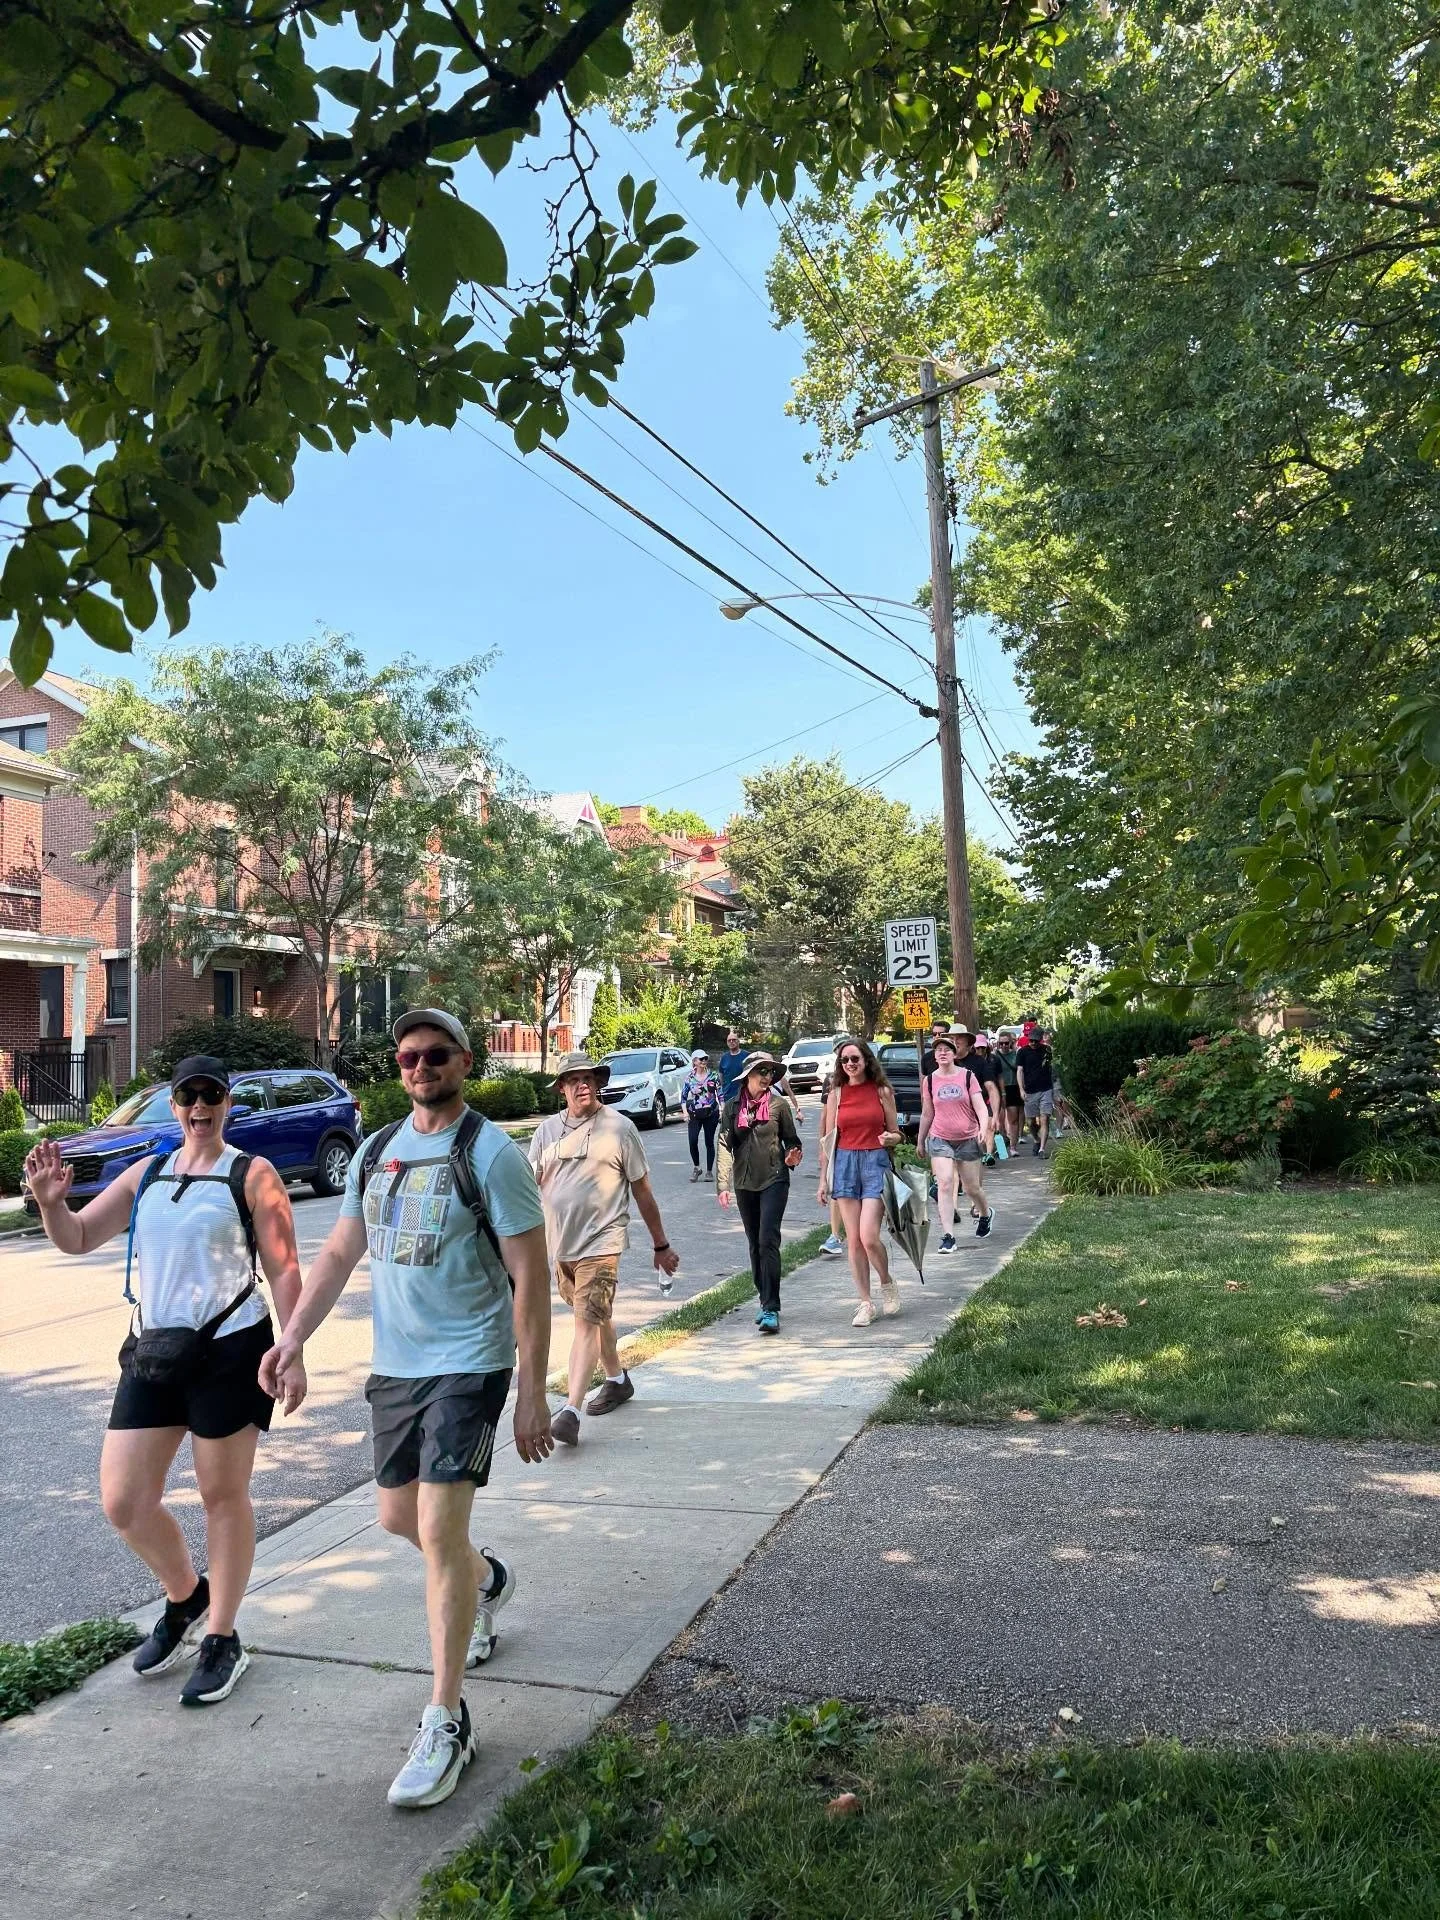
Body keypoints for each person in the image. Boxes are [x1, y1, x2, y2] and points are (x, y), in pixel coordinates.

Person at [259, 1011, 554, 1809]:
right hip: (397, 1367)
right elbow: (336, 1255)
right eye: (409, 1056)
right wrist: (292, 1341)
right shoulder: (376, 1151)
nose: (421, 1065)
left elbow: (533, 1278)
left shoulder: (493, 1154)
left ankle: (446, 1716)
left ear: (464, 1061)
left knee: (434, 1529)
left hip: (470, 1362)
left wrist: (532, 1389)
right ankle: (486, 1580)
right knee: (398, 1520)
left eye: (436, 1054)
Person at [24, 1054, 304, 1709]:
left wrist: (291, 1348)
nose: (199, 1107)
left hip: (233, 1350)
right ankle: (186, 1596)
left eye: (211, 1095)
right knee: (123, 1500)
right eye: (187, 1096)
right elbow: (78, 1236)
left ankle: (223, 1637)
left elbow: (286, 1270)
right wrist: (48, 1204)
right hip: (154, 1352)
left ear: (227, 1103)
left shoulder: (252, 1175)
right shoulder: (147, 1172)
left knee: (220, 1494)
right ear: (172, 1105)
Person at [528, 1052, 681, 1442]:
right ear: (561, 1088)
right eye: (573, 1080)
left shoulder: (619, 1128)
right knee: (595, 1316)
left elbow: (642, 1190)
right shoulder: (546, 1131)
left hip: (603, 1241)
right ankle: (616, 1378)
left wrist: (660, 1244)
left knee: (584, 1323)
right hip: (560, 1246)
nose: (582, 1085)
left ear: (597, 1084)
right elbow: (531, 1189)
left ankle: (571, 1410)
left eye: (589, 1079)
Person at [818, 1037, 903, 1326]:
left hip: (874, 1162)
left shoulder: (882, 1091)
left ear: (867, 1060)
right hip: (844, 1164)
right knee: (852, 1239)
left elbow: (896, 1132)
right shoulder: (836, 1095)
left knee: (868, 1237)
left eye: (855, 1059)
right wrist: (823, 1179)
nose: (850, 1064)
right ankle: (865, 1302)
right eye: (845, 1060)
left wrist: (891, 1138)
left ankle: (887, 1282)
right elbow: (828, 1141)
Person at [716, 1051, 803, 1334]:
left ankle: (771, 1307)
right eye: (761, 1072)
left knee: (768, 1240)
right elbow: (724, 1145)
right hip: (743, 1183)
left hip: (775, 1179)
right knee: (754, 1244)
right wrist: (723, 1184)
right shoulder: (731, 1108)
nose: (767, 1077)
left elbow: (792, 1140)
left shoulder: (778, 1106)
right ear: (748, 1076)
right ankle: (764, 1297)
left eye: (770, 1072)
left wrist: (792, 1155)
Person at [919, 1031, 995, 1252]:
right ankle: (948, 1236)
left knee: (972, 1188)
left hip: (968, 1138)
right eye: (938, 1050)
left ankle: (985, 1213)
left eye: (946, 1050)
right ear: (935, 1056)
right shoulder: (930, 1081)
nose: (942, 1053)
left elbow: (980, 1107)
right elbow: (926, 1114)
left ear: (954, 1054)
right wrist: (921, 1140)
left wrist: (983, 1128)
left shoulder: (967, 1076)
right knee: (944, 1183)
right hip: (940, 1138)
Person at [681, 1048, 722, 1182]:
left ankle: (709, 1171)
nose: (704, 1061)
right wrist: (685, 1113)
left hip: (711, 1113)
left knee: (709, 1141)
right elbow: (683, 1098)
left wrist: (722, 1110)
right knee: (692, 1140)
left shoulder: (713, 1075)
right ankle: (697, 1168)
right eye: (701, 1059)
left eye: (705, 1058)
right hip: (694, 1113)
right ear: (694, 1062)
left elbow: (720, 1095)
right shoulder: (689, 1078)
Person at [1017, 1025, 1056, 1155]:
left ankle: (1042, 1149)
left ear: (1040, 1040)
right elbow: (1020, 1071)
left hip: (1046, 1088)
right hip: (1030, 1090)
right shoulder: (1022, 1052)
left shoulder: (1047, 1050)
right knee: (1031, 1121)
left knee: (1044, 1118)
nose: (1033, 1043)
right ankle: (1036, 1139)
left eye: (1035, 1041)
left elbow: (1052, 1067)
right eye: (1031, 1040)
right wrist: (1021, 1089)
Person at [993, 1030, 1024, 1157]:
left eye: (1006, 1043)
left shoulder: (1016, 1055)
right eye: (1002, 1043)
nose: (1004, 1046)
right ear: (998, 1044)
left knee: (1013, 1119)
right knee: (999, 1121)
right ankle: (1001, 1149)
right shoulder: (994, 1056)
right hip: (999, 1089)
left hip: (1013, 1088)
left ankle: (1013, 1147)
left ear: (1011, 1043)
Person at [717, 1029, 750, 1105]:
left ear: (738, 1041)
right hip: (727, 1096)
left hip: (744, 1096)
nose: (731, 1042)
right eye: (729, 1040)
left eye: (734, 1040)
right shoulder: (724, 1058)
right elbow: (721, 1075)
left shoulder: (747, 1056)